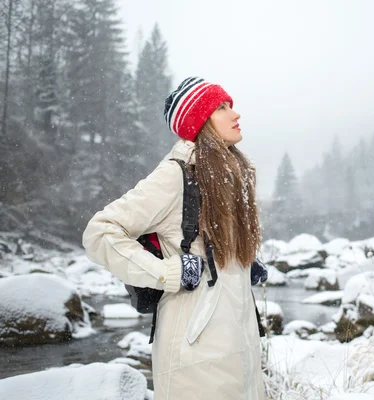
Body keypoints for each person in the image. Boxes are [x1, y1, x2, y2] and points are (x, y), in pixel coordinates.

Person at [82, 77, 267, 399]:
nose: (235, 114)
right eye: (221, 107)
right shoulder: (176, 174)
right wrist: (168, 272)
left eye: (231, 105)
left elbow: (206, 248)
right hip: (194, 350)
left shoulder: (229, 176)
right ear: (199, 121)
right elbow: (101, 232)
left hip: (239, 342)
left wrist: (240, 263)